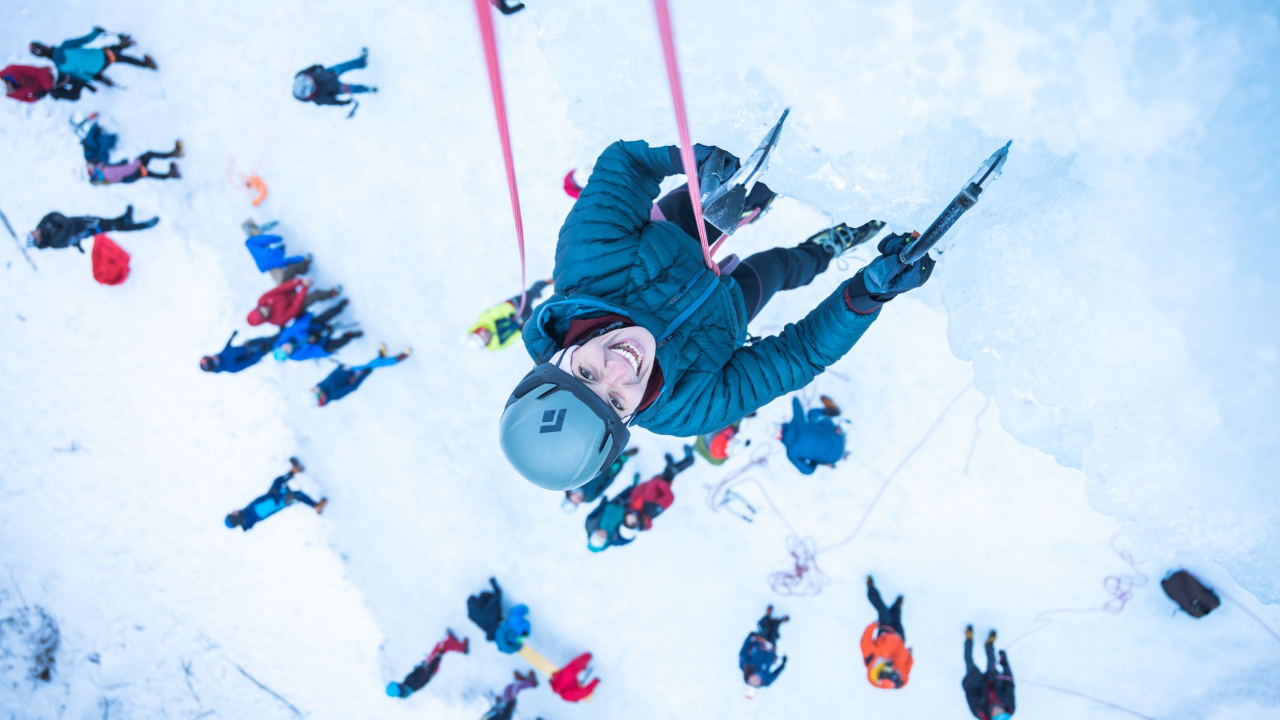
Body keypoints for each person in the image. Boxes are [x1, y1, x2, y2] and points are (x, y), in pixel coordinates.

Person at [499, 137, 929, 491]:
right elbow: (799, 357)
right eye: (615, 400)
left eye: (587, 375)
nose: (619, 370)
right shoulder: (689, 409)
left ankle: (774, 175)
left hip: (674, 234)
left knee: (733, 192)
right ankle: (830, 245)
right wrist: (866, 296)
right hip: (725, 312)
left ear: (559, 357)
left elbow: (627, 165)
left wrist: (688, 158)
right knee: (782, 266)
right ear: (629, 417)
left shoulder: (588, 263)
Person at [29, 28, 156, 89]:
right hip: (99, 57)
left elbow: (79, 75)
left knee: (110, 50)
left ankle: (126, 44)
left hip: (96, 69)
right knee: (118, 57)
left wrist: (98, 78)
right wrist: (96, 32)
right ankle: (146, 64)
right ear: (45, 45)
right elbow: (84, 40)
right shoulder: (64, 47)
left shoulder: (60, 68)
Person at [224, 458, 326, 532]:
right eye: (233, 514)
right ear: (236, 518)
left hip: (271, 496)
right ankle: (317, 506)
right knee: (297, 495)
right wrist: (282, 496)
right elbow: (271, 506)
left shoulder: (245, 513)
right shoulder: (251, 516)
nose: (234, 511)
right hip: (278, 500)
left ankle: (294, 470)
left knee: (278, 481)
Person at [622, 445, 694, 532]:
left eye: (628, 519)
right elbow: (669, 499)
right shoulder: (650, 512)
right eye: (632, 521)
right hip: (662, 484)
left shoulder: (631, 505)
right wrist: (663, 485)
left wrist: (652, 482)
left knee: (669, 471)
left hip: (654, 481)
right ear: (637, 522)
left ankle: (670, 464)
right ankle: (689, 460)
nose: (631, 517)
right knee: (673, 471)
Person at [28, 205, 158, 252]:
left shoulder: (41, 227)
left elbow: (51, 214)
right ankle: (142, 225)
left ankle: (126, 218)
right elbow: (67, 226)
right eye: (34, 235)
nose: (35, 231)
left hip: (80, 221)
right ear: (38, 241)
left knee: (107, 221)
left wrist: (62, 222)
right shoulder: (54, 243)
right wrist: (62, 222)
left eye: (32, 232)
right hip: (87, 229)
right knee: (112, 226)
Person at [469, 279, 553, 351]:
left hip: (514, 305)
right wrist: (520, 330)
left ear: (479, 330)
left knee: (531, 293)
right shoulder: (497, 343)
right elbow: (510, 339)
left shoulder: (484, 319)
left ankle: (547, 282)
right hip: (521, 321)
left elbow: (499, 310)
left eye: (482, 335)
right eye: (485, 340)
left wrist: (511, 311)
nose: (486, 337)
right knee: (538, 315)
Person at [314, 345, 412, 406]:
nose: (314, 389)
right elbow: (352, 387)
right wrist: (363, 375)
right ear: (319, 397)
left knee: (371, 364)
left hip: (347, 369)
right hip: (354, 375)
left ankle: (381, 356)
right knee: (371, 365)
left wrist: (339, 368)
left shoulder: (320, 387)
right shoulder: (334, 395)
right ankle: (397, 359)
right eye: (314, 392)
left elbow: (330, 377)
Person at [861, 576, 913, 689]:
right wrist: (909, 655)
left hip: (886, 630)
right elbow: (907, 668)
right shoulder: (900, 676)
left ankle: (871, 588)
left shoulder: (871, 660)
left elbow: (865, 641)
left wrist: (873, 626)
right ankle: (897, 606)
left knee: (883, 610)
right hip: (900, 638)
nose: (892, 668)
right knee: (897, 618)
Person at [385, 630, 470, 699]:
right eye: (397, 684)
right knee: (441, 648)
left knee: (440, 647)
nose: (398, 682)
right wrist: (436, 659)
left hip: (427, 666)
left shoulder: (407, 685)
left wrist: (418, 668)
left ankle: (451, 640)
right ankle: (462, 647)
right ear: (399, 689)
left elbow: (417, 674)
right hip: (431, 667)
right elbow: (427, 675)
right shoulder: (412, 684)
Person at [273, 300, 363, 361]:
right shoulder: (297, 356)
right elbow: (311, 353)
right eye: (287, 351)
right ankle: (349, 336)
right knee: (332, 345)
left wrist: (306, 337)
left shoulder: (284, 337)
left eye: (284, 348)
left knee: (319, 320)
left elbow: (297, 328)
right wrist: (325, 351)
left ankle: (339, 307)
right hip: (315, 343)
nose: (287, 348)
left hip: (307, 329)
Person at [293, 48, 375, 111]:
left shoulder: (300, 75)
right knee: (352, 88)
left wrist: (317, 66)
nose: (313, 82)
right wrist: (344, 102)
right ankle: (367, 89)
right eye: (312, 86)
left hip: (329, 73)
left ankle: (362, 62)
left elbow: (309, 69)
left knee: (346, 66)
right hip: (337, 88)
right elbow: (332, 101)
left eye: (310, 80)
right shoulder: (319, 99)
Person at [780, 396, 846, 474]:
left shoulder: (791, 454)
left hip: (831, 458)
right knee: (811, 414)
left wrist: (815, 461)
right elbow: (795, 400)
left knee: (814, 424)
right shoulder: (797, 419)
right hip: (838, 437)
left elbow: (808, 471)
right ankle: (830, 412)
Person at [962, 626, 1015, 720]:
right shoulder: (1010, 707)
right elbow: (1009, 684)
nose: (997, 710)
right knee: (992, 662)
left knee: (969, 661)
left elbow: (969, 692)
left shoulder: (980, 713)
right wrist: (1004, 663)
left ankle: (968, 639)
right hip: (994, 680)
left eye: (996, 715)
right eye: (1001, 712)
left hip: (977, 683)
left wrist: (970, 680)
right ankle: (989, 645)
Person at [564, 447, 637, 511]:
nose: (576, 499)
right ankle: (625, 455)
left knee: (610, 452)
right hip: (606, 474)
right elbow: (602, 489)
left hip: (596, 463)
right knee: (619, 463)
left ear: (570, 496)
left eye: (573, 500)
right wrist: (611, 478)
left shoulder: (572, 484)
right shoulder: (589, 498)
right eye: (576, 503)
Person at [248, 278, 339, 328]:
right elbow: (295, 307)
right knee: (315, 295)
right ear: (265, 319)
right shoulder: (278, 320)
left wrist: (297, 282)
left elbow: (279, 289)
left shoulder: (262, 300)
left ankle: (304, 263)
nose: (264, 309)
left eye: (260, 310)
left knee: (289, 273)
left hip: (288, 294)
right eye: (263, 314)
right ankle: (332, 293)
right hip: (297, 307)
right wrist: (304, 287)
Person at [739, 605, 788, 690]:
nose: (754, 680)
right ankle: (777, 622)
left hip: (759, 644)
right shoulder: (766, 680)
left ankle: (767, 615)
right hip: (771, 650)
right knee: (773, 634)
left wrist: (749, 639)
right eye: (755, 683)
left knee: (766, 629)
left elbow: (743, 652)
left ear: (748, 678)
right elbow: (776, 674)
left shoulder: (745, 667)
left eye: (751, 681)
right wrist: (783, 664)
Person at [243, 223, 312, 283]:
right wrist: (278, 239)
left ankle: (303, 259)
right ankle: (303, 259)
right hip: (268, 257)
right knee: (281, 257)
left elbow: (291, 259)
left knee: (285, 261)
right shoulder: (250, 242)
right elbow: (266, 239)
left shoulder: (250, 243)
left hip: (264, 266)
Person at [200, 330, 279, 374]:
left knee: (272, 338)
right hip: (257, 351)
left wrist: (231, 337)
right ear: (214, 365)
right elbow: (249, 362)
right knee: (276, 344)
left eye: (211, 357)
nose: (214, 357)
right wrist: (261, 351)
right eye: (213, 360)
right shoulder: (231, 367)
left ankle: (281, 334)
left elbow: (227, 349)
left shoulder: (219, 356)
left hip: (249, 344)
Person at [467, 577, 506, 642]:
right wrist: (493, 582)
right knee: (495, 596)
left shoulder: (471, 615)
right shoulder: (484, 606)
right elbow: (497, 594)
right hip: (495, 621)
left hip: (492, 629)